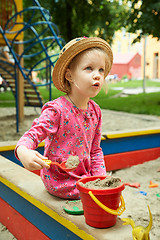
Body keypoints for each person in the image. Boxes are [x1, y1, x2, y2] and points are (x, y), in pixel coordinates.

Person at [15, 37, 113, 199]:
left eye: (101, 70)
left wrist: (100, 178)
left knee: (108, 188)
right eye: (89, 68)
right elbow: (32, 135)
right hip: (59, 181)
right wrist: (23, 151)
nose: (97, 75)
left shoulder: (95, 111)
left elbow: (95, 151)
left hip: (84, 177)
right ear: (69, 76)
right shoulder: (57, 110)